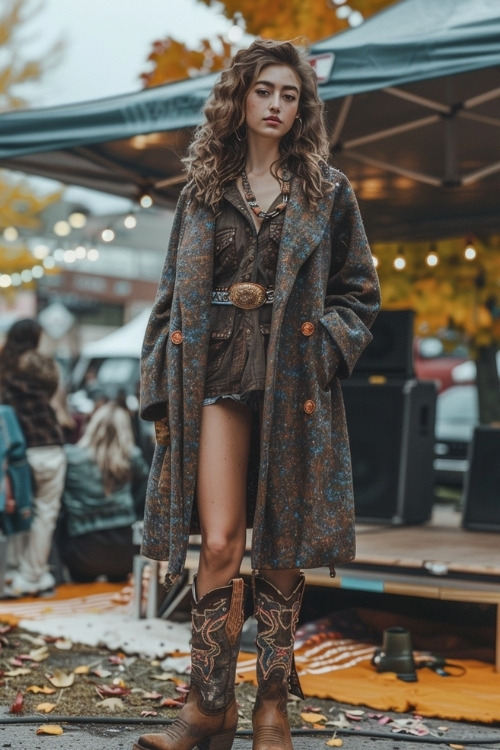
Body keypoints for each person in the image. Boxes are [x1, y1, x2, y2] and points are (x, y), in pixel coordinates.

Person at [135, 39, 381, 750]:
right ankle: (208, 707)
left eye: (290, 94)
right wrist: (157, 389)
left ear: (301, 107)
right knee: (217, 542)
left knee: (281, 546)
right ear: (239, 99)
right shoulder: (202, 192)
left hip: (293, 384)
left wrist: (321, 348)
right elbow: (166, 300)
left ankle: (272, 704)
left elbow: (360, 294)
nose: (277, 105)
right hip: (212, 376)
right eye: (264, 91)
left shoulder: (328, 191)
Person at [0, 318, 66, 597]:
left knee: (20, 513)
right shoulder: (44, 367)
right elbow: (55, 394)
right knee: (45, 514)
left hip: (18, 451)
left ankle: (13, 573)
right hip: (49, 446)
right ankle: (32, 574)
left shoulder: (3, 369)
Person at [56, 401, 149, 583]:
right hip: (125, 550)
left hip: (82, 551)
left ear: (93, 425)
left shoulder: (70, 457)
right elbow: (146, 491)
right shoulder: (132, 457)